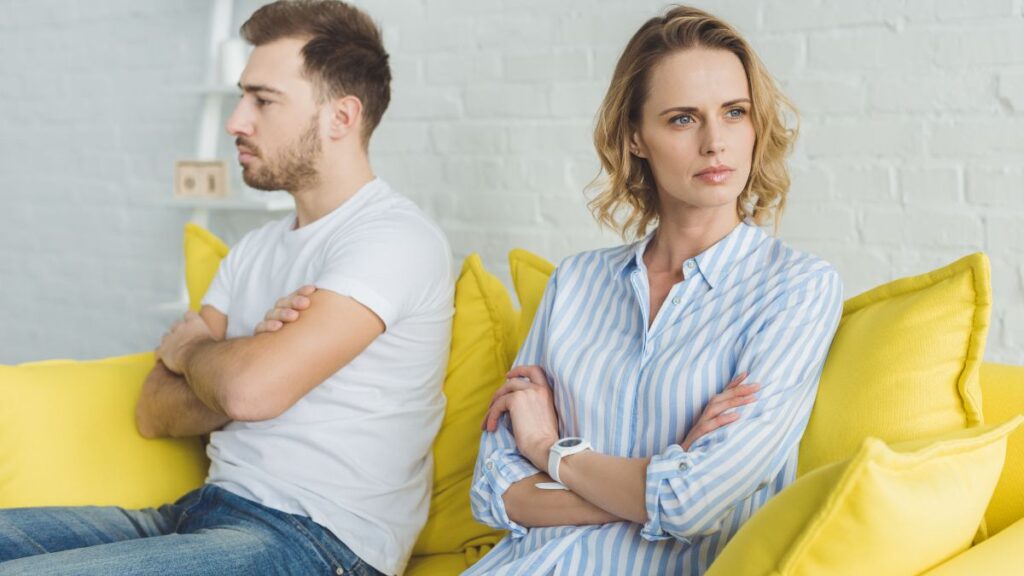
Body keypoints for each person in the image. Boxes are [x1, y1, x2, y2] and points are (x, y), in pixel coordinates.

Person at [0, 2, 452, 575]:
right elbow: (155, 410)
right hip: (200, 514)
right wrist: (243, 361)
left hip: (317, 543)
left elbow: (248, 394)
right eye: (243, 97)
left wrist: (193, 353)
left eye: (263, 100)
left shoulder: (394, 240)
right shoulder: (254, 249)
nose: (237, 121)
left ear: (342, 117)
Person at [465, 6, 844, 575]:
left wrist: (549, 450)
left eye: (734, 113)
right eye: (682, 119)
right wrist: (658, 473)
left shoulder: (797, 290)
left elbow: (694, 503)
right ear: (636, 138)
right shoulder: (575, 282)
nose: (716, 142)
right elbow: (496, 492)